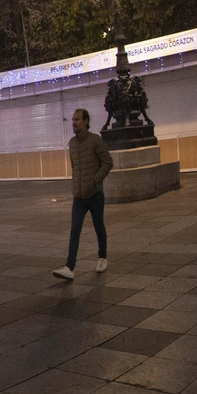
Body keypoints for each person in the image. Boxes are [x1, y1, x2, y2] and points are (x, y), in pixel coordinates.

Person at [54, 107, 112, 280]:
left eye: (77, 119)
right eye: (73, 119)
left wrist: (95, 180)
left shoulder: (95, 140)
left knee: (99, 226)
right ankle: (69, 267)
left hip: (95, 195)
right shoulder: (72, 143)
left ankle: (102, 258)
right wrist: (75, 186)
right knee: (75, 230)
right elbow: (74, 167)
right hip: (78, 197)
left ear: (86, 122)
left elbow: (107, 162)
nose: (74, 123)